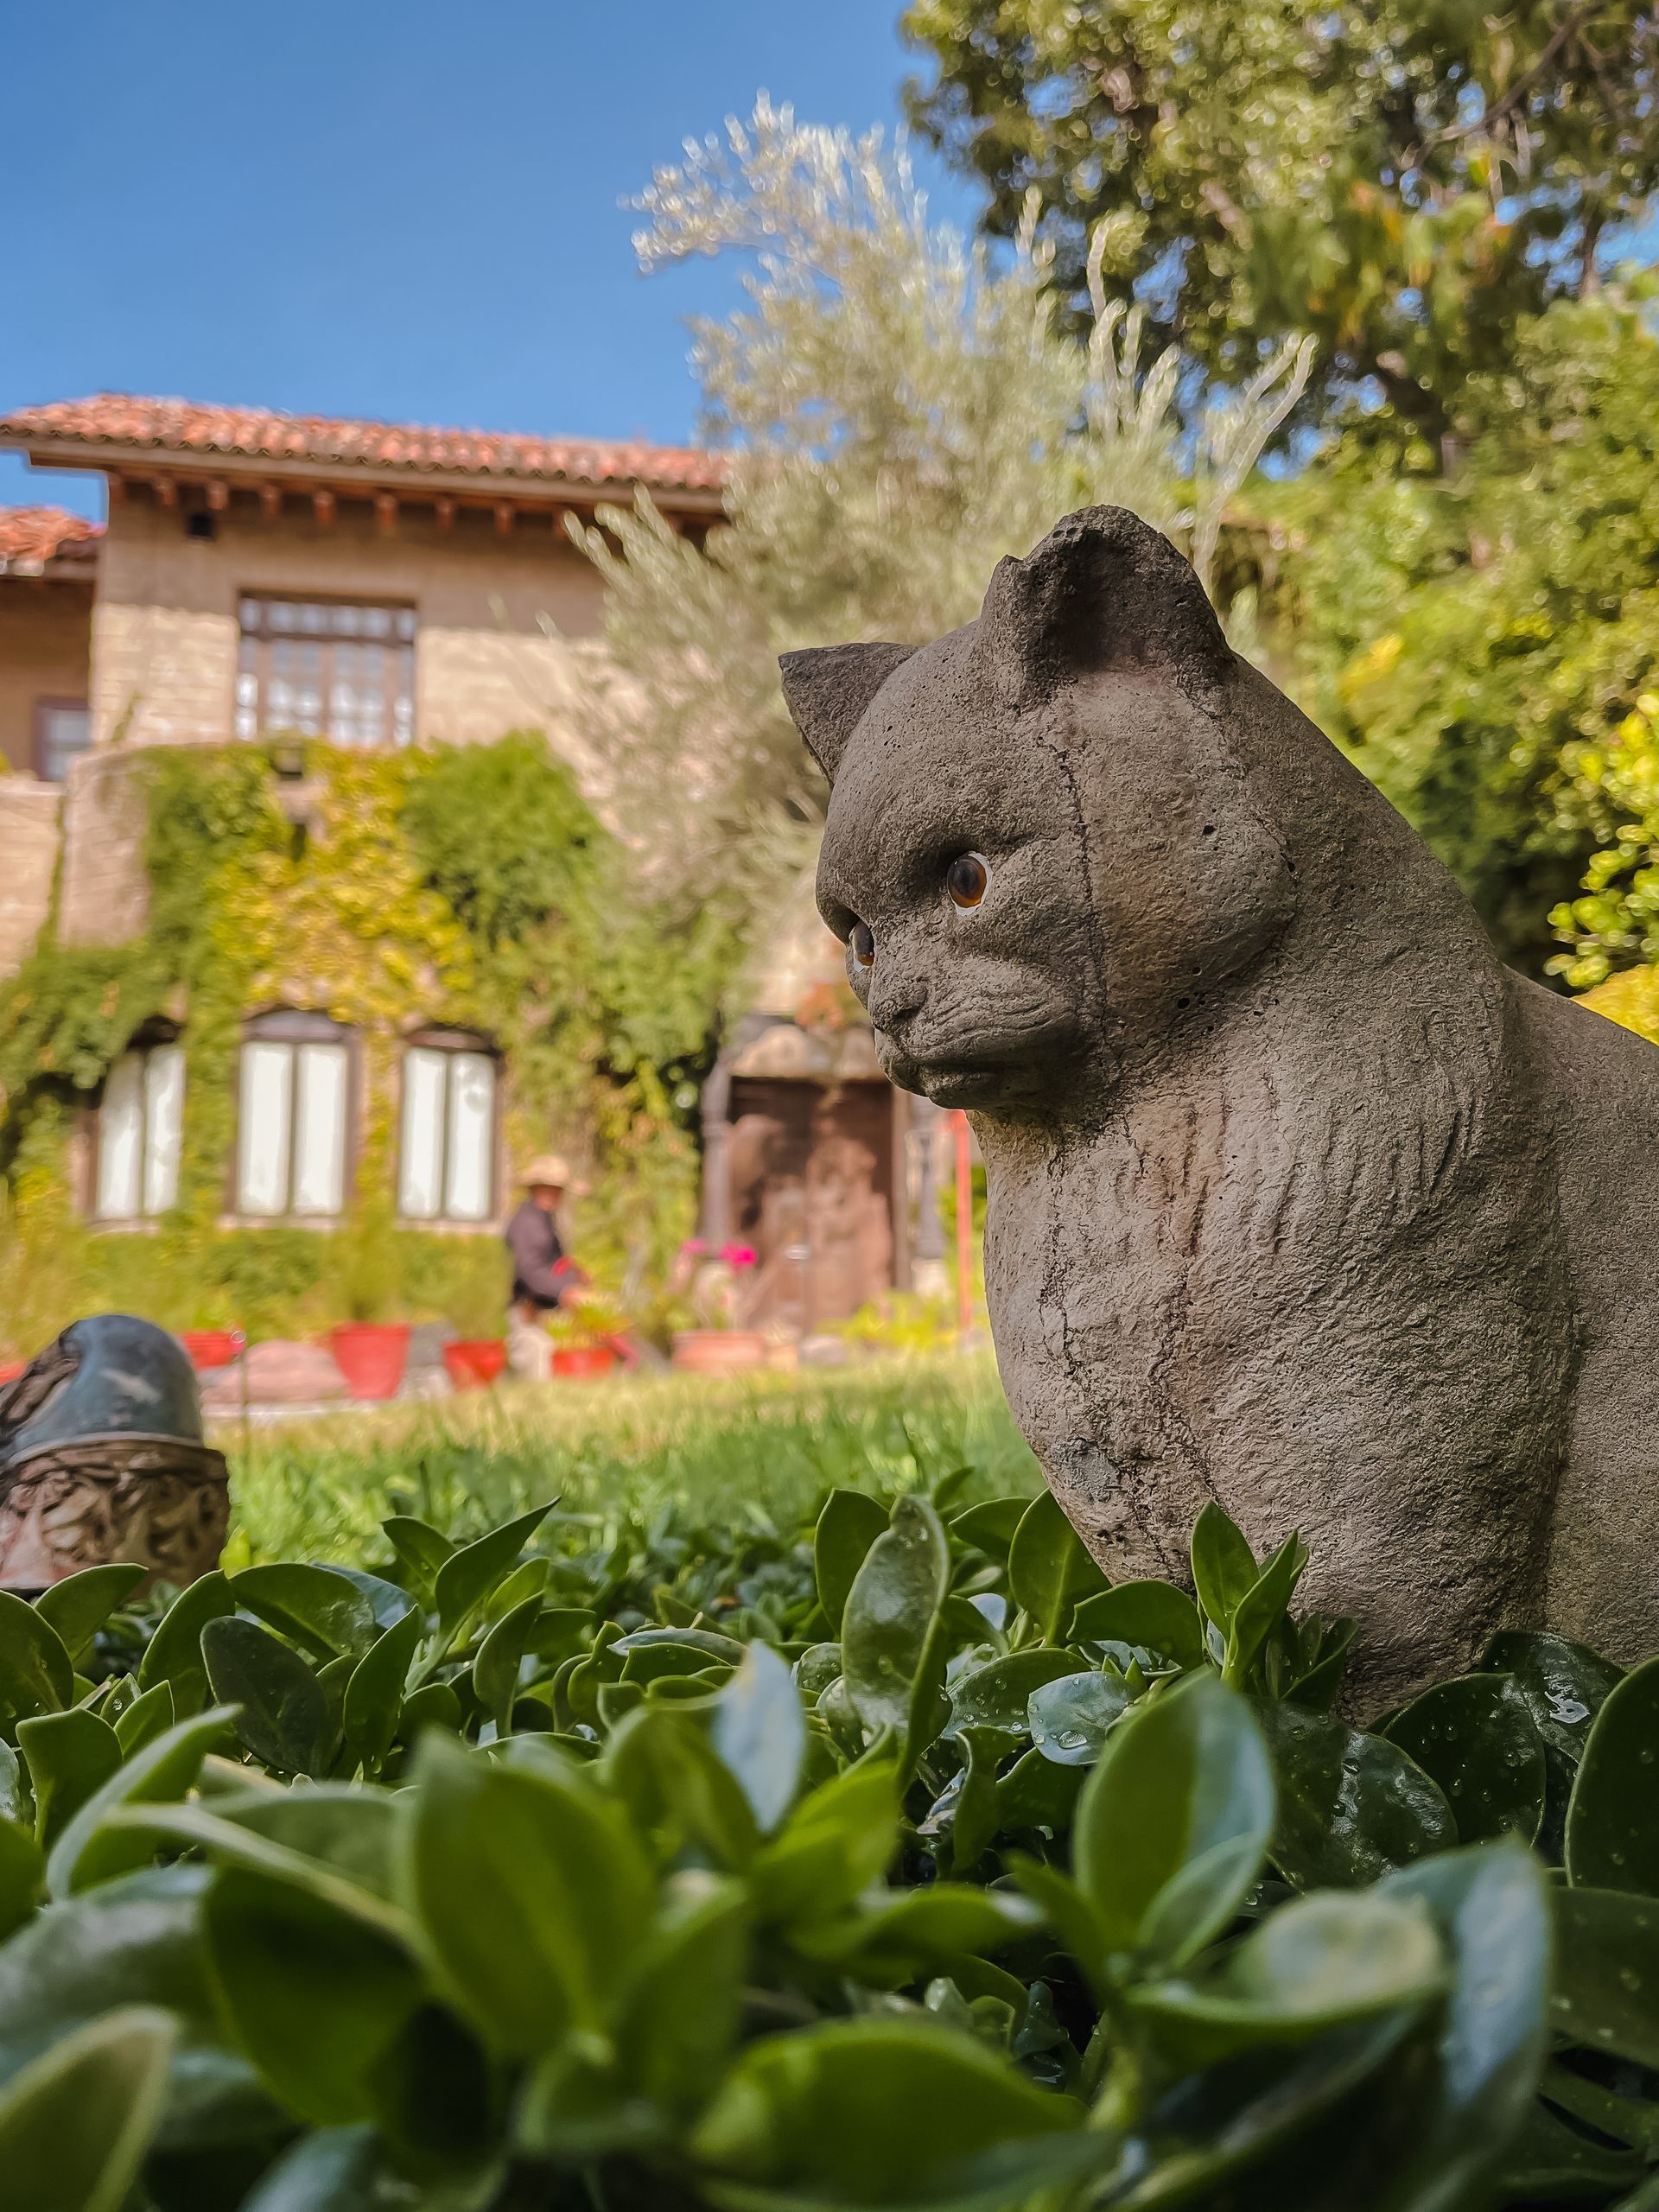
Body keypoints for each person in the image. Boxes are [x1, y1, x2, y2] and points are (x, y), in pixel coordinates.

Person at [504, 1155, 588, 1381]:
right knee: (538, 1357)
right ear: (534, 1188)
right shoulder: (526, 1223)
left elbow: (551, 1262)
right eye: (548, 1188)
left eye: (557, 1189)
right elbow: (529, 1270)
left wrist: (573, 1275)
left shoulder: (543, 1220)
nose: (553, 1194)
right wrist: (564, 1291)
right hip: (526, 1315)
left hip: (545, 1311)